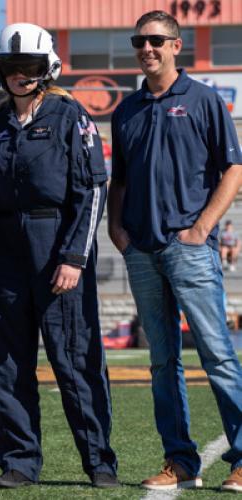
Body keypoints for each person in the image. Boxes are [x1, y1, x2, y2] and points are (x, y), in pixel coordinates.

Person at [0, 23, 118, 489]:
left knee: (75, 360)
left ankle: (99, 462)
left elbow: (92, 189)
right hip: (6, 256)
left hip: (57, 248)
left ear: (48, 68)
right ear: (0, 70)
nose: (20, 75)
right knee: (8, 361)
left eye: (30, 67)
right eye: (12, 67)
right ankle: (19, 461)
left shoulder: (70, 115)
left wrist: (74, 257)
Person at [108, 10, 242, 493]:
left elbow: (234, 169)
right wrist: (116, 231)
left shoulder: (205, 101)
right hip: (140, 251)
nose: (147, 48)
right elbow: (118, 180)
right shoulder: (125, 111)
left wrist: (202, 227)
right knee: (163, 362)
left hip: (189, 247)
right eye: (139, 40)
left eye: (157, 40)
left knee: (218, 356)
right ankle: (181, 461)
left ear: (176, 45)